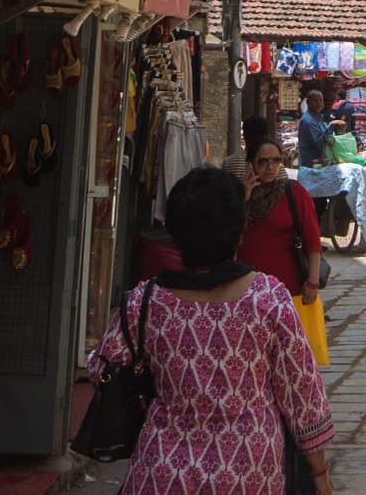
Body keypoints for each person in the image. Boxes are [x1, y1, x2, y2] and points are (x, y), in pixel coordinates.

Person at [94, 167, 334, 494]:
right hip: (251, 472)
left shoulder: (145, 302)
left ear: (175, 232)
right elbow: (302, 394)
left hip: (163, 471)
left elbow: (101, 368)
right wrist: (319, 472)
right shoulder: (268, 299)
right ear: (239, 229)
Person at [236, 136, 327, 367]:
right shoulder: (237, 196)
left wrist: (313, 281)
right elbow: (228, 236)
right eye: (263, 161)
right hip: (247, 293)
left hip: (290, 291)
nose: (270, 167)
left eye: (275, 161)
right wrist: (242, 198)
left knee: (292, 362)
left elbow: (312, 239)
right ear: (251, 163)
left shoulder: (292, 192)